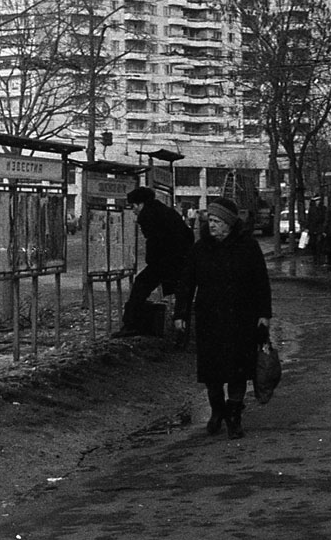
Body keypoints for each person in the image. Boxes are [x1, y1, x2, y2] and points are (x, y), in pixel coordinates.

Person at [173, 197, 271, 439]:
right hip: (210, 319)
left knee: (238, 371)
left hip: (241, 319)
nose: (212, 225)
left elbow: (261, 283)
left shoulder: (248, 246)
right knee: (212, 372)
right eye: (210, 220)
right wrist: (180, 314)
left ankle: (234, 416)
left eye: (217, 221)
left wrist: (264, 315)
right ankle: (217, 410)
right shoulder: (200, 248)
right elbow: (186, 283)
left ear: (229, 223)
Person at [114, 186, 194, 338]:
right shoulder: (163, 210)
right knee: (181, 295)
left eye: (134, 206)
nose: (134, 211)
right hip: (180, 259)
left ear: (141, 204)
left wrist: (153, 261)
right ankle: (182, 333)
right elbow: (187, 234)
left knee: (140, 285)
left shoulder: (148, 216)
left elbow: (154, 243)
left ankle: (131, 325)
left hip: (168, 261)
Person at [305, 198, 325, 262]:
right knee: (313, 243)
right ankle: (315, 255)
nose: (318, 202)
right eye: (316, 201)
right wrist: (307, 227)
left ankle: (319, 255)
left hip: (319, 228)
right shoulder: (311, 209)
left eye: (318, 200)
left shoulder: (323, 208)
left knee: (319, 242)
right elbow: (309, 218)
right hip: (313, 228)